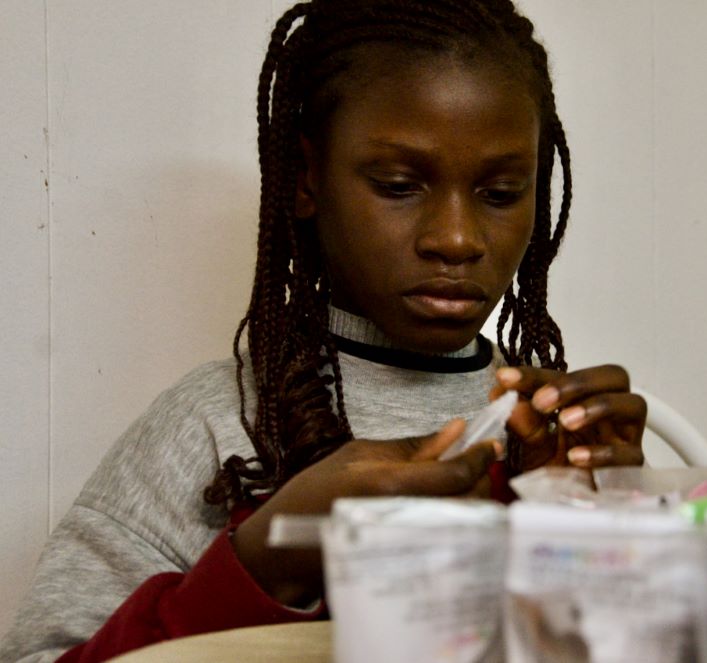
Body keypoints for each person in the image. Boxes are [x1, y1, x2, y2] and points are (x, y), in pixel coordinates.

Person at [0, 1, 647, 661]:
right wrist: (270, 556)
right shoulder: (216, 426)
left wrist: (606, 535)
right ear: (308, 178)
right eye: (399, 185)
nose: (455, 238)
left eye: (502, 193)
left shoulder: (551, 439)